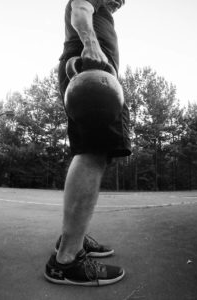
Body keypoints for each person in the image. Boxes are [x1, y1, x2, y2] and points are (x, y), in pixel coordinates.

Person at [44, 0, 131, 286]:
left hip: (99, 72)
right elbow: (79, 10)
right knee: (92, 151)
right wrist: (91, 45)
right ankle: (66, 260)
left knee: (97, 151)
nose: (122, 1)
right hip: (92, 67)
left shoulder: (104, 10)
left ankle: (71, 238)